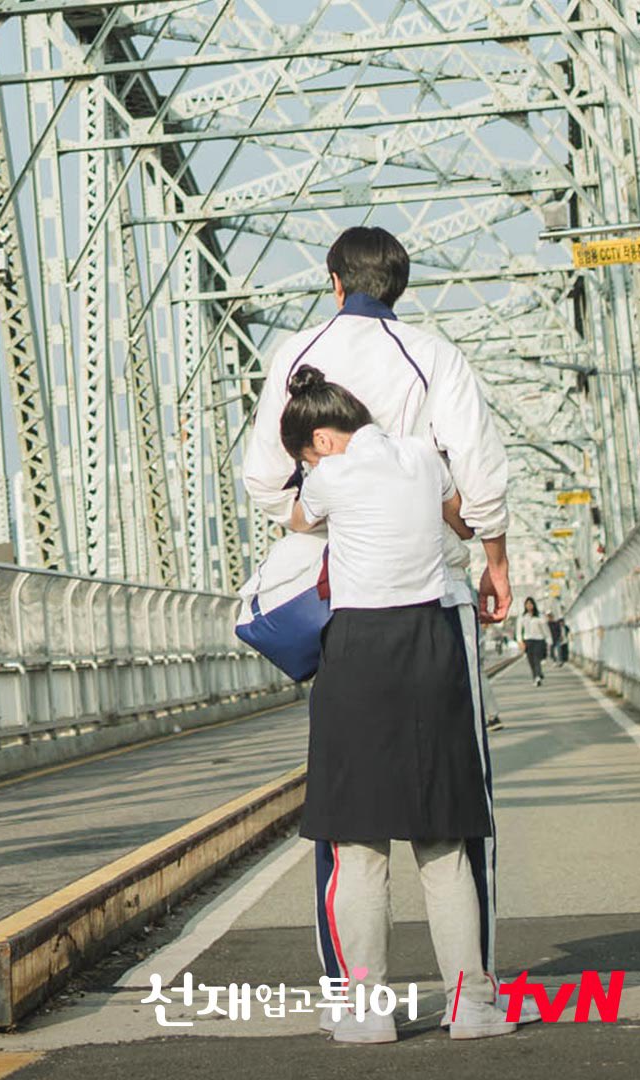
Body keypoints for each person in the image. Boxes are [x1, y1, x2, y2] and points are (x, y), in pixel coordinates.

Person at [243, 226, 522, 1031]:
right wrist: (494, 558)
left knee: (352, 829)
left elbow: (266, 477)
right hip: (438, 610)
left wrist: (324, 517)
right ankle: (475, 997)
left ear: (335, 282)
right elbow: (477, 473)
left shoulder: (300, 353)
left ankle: (358, 1005)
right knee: (454, 819)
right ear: (399, 284)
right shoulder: (434, 356)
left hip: (348, 620)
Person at [282, 368, 514, 1044]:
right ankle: (470, 1004)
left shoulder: (327, 475)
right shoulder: (423, 457)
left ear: (322, 439)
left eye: (307, 453)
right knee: (444, 845)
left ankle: (368, 1008)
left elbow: (297, 520)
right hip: (432, 645)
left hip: (359, 651)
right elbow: (466, 523)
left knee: (359, 848)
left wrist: (308, 481)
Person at [518, 598, 548, 686]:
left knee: (536, 658)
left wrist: (548, 639)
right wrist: (520, 641)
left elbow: (545, 629)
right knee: (531, 660)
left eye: (531, 604)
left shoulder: (539, 616)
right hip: (528, 640)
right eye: (527, 604)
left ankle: (538, 676)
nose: (529, 606)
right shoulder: (522, 617)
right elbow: (519, 631)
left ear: (534, 605)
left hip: (539, 640)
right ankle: (536, 675)